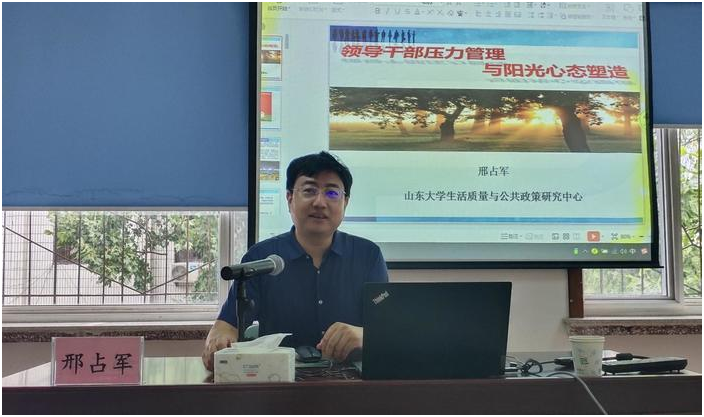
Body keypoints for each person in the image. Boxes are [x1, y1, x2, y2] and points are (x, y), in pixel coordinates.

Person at [202, 151, 388, 371]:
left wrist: (364, 335)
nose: (320, 202)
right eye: (309, 191)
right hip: (279, 381)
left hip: (352, 382)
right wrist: (219, 340)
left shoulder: (368, 256)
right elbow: (226, 326)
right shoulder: (262, 257)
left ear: (345, 202)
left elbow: (387, 329)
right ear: (290, 199)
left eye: (332, 193)